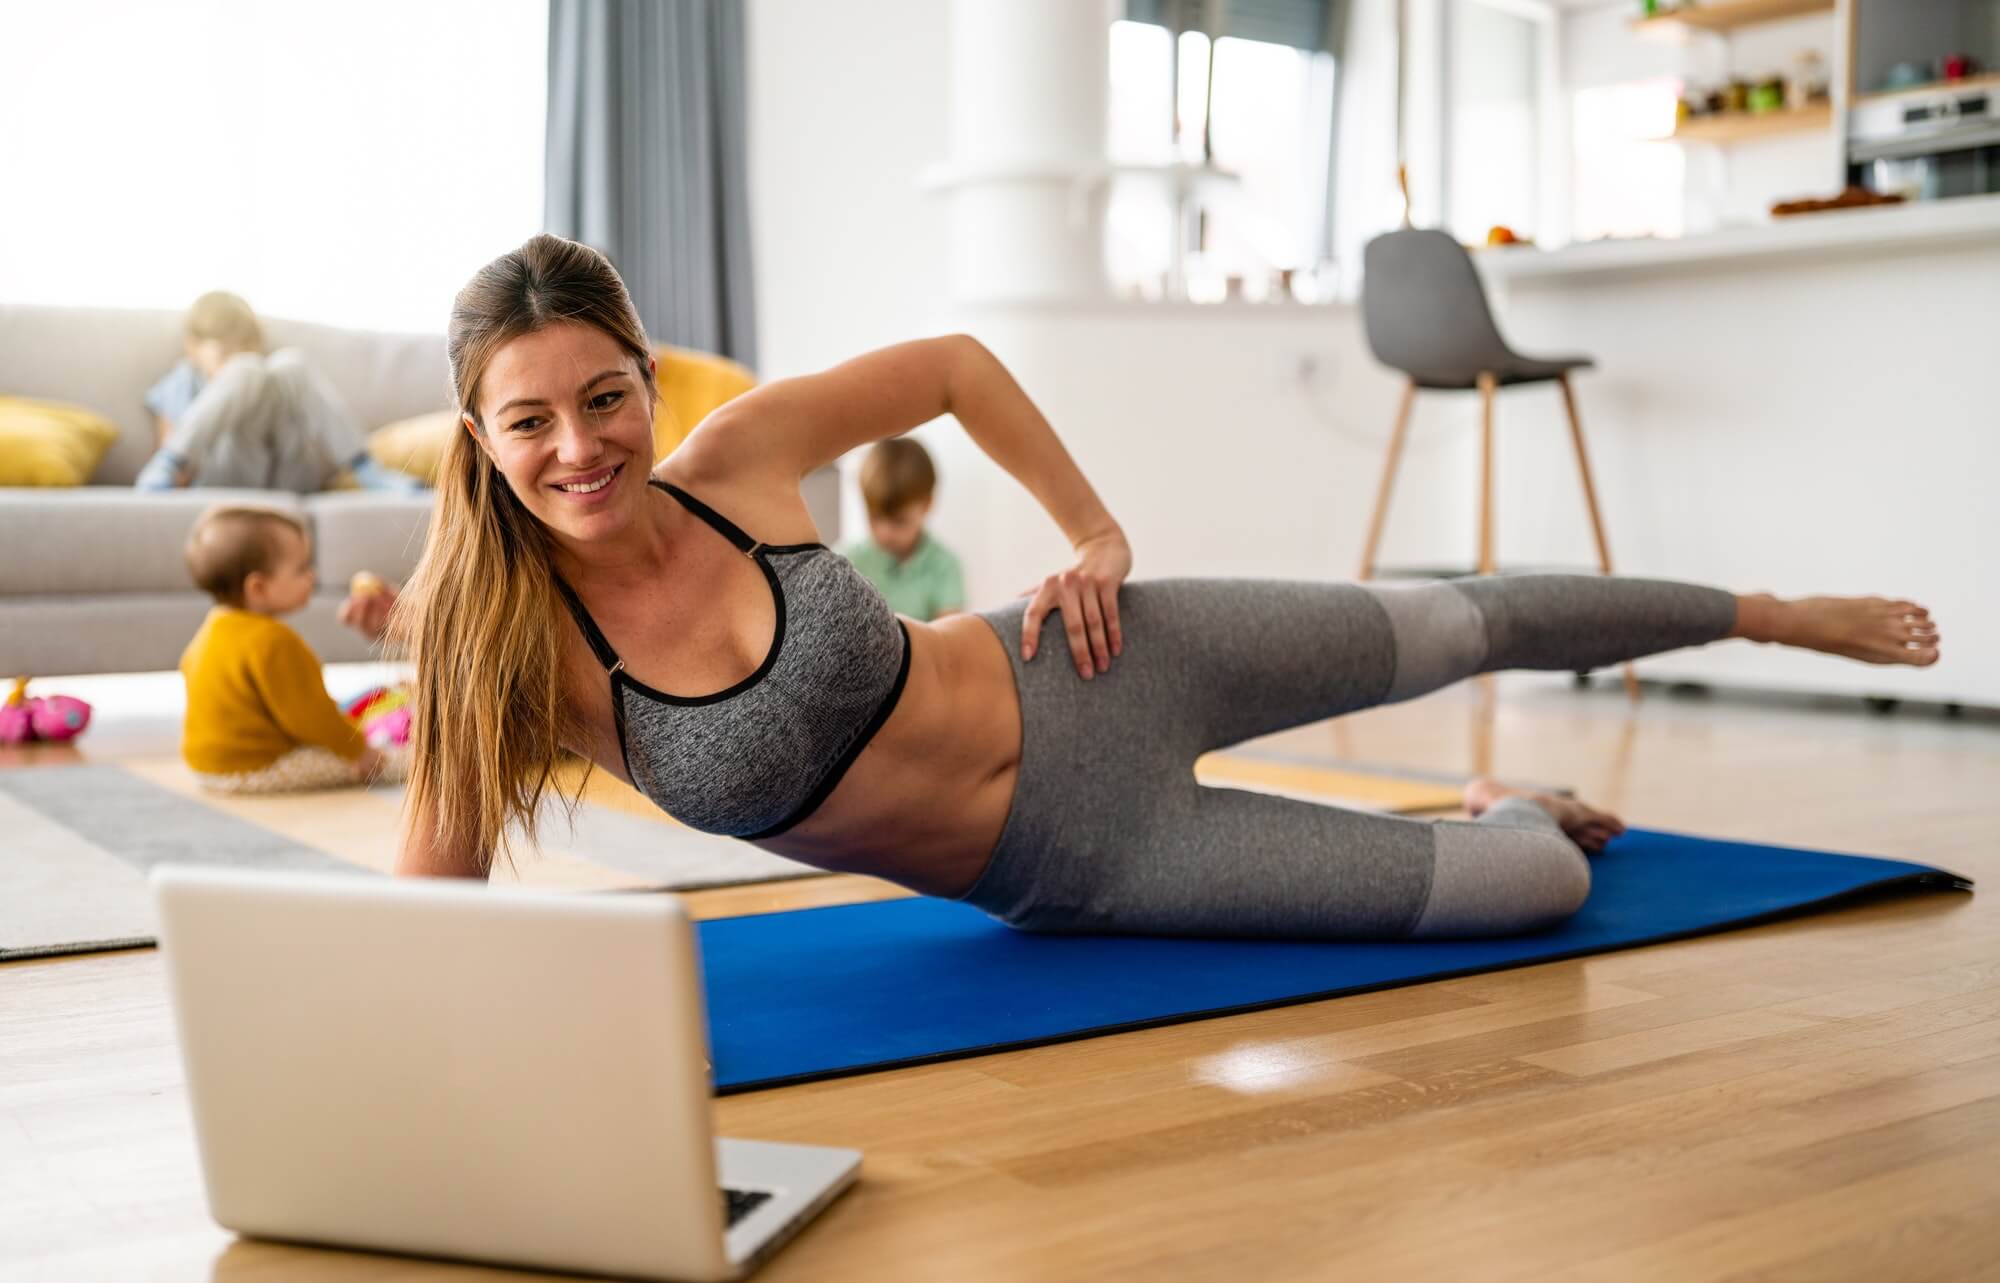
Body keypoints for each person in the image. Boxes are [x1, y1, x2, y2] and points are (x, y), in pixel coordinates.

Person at [367, 234, 1940, 940]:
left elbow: (955, 367)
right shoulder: (511, 657)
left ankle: (1760, 610)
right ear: (479, 435)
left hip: (1103, 660)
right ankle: (1499, 806)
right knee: (1531, 892)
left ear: (648, 378)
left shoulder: (745, 456)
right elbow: (425, 912)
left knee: (1463, 617)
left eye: (607, 397)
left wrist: (1096, 530)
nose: (581, 446)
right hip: (1090, 857)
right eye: (531, 420)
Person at [181, 505, 399, 794]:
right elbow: (312, 717)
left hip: (205, 767)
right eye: (301, 569)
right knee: (395, 761)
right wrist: (360, 751)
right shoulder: (274, 641)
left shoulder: (209, 631)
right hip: (258, 766)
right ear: (258, 587)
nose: (312, 576)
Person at [137, 290, 422, 493]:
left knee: (291, 364)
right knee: (246, 369)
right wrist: (171, 468)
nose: (236, 357)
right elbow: (169, 443)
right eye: (225, 352)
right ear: (192, 347)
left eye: (244, 348)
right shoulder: (182, 382)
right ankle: (169, 462)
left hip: (288, 476)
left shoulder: (272, 375)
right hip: (224, 477)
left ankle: (366, 470)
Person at [842, 435, 965, 620]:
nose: (884, 532)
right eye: (874, 517)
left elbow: (949, 636)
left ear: (927, 505)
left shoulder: (944, 567)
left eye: (899, 521)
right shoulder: (847, 561)